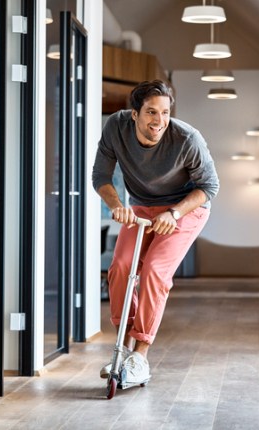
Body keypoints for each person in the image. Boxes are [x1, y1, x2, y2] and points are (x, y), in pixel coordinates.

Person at [92, 79, 220, 388]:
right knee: (121, 267)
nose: (159, 121)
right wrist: (117, 204)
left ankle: (141, 355)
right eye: (151, 112)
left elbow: (210, 187)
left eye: (165, 112)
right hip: (141, 207)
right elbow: (100, 176)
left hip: (185, 208)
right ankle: (122, 348)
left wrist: (174, 213)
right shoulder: (116, 128)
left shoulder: (186, 138)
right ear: (133, 113)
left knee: (155, 272)